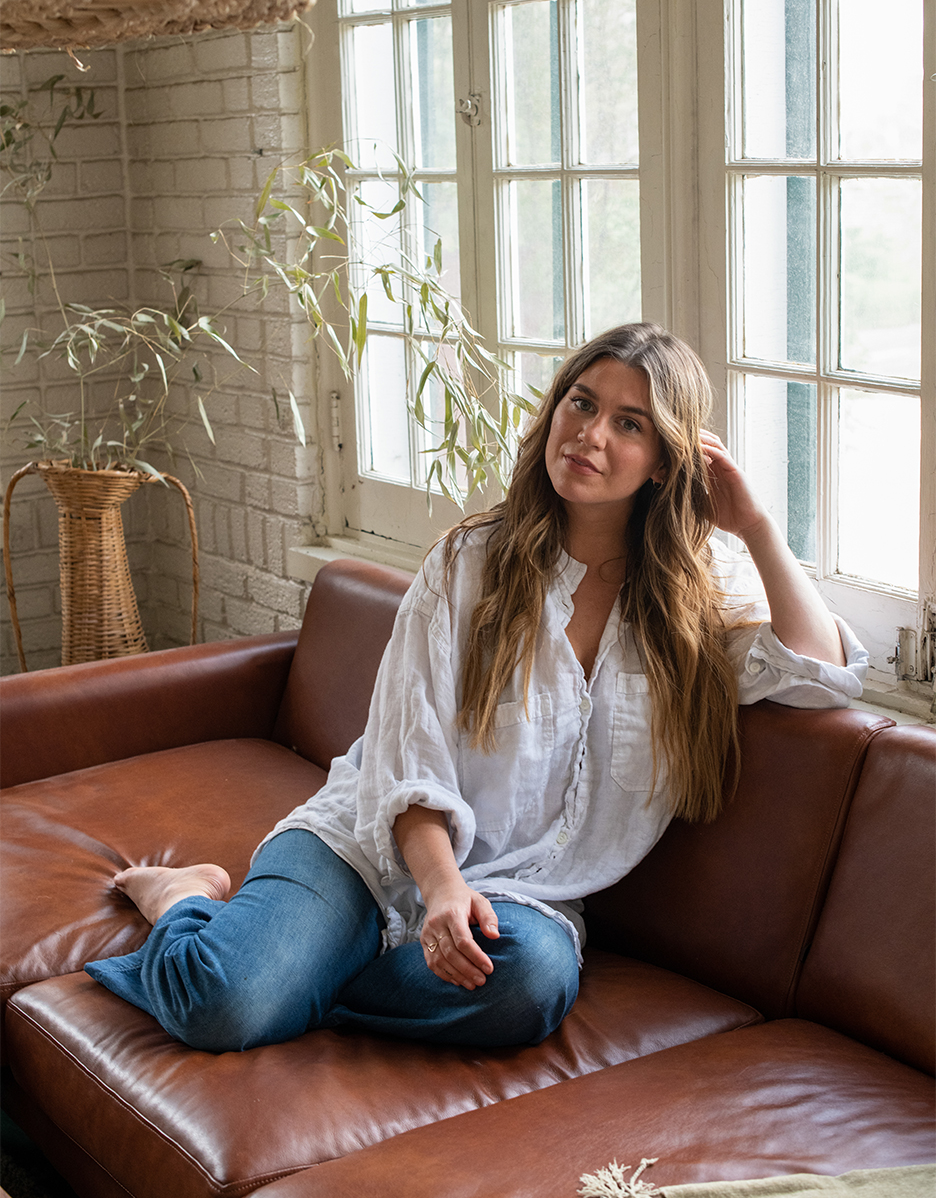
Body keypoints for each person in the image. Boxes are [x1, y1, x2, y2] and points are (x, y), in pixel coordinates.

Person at [86, 323, 868, 1053]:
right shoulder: (469, 563)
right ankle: (187, 902)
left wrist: (757, 525)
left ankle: (294, 977)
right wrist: (439, 891)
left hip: (522, 896)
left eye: (630, 424)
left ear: (665, 460)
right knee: (222, 1005)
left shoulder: (694, 601)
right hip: (372, 848)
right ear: (555, 408)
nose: (592, 435)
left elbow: (821, 674)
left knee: (530, 987)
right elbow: (404, 761)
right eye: (582, 403)